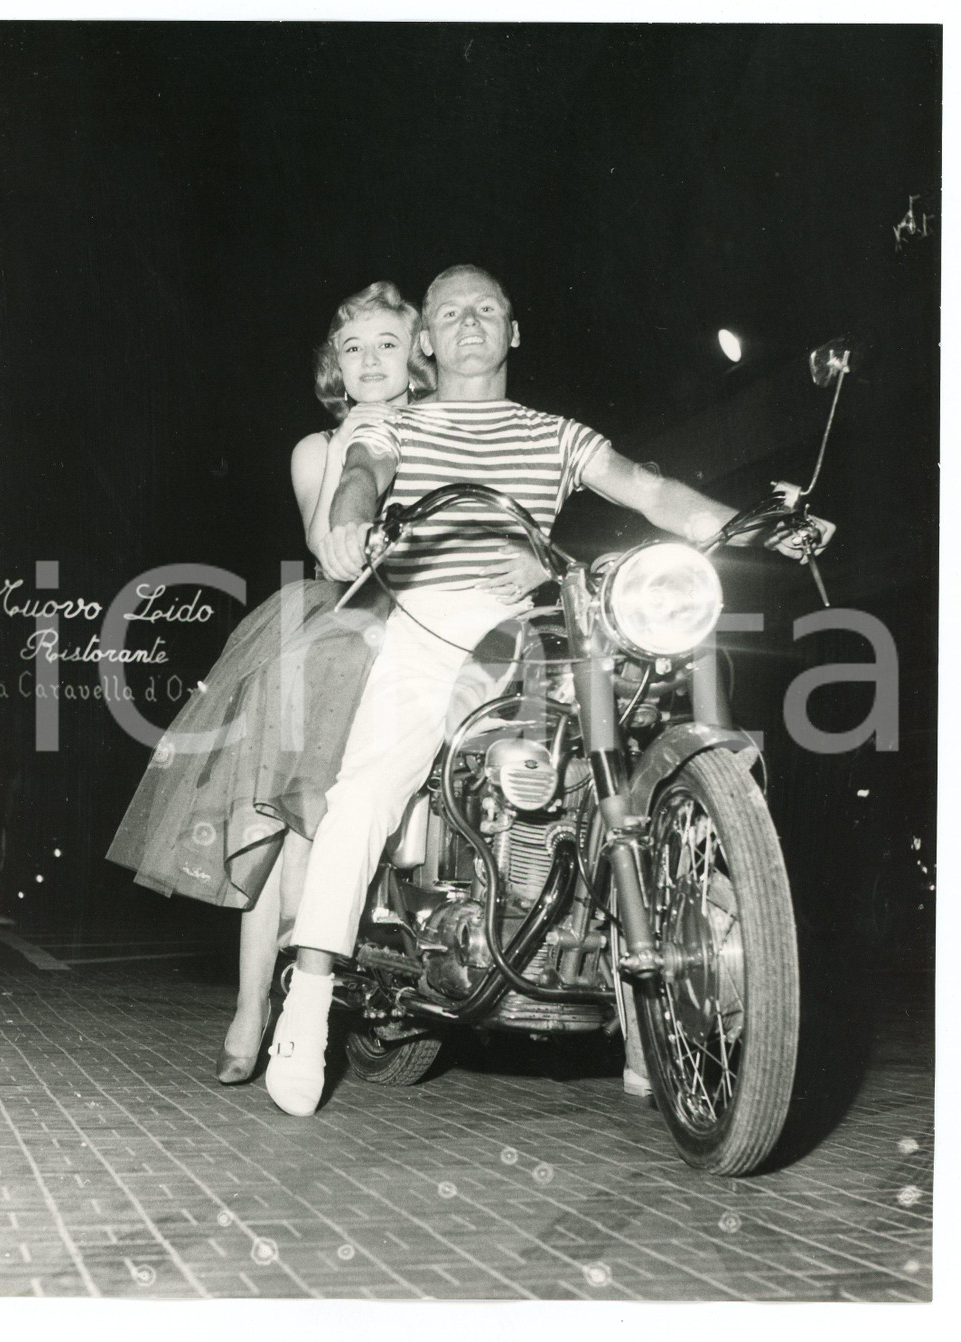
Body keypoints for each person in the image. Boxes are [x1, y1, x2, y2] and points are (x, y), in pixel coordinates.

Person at [263, 264, 832, 1118]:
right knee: (371, 785)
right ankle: (307, 1004)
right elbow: (363, 473)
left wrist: (743, 527)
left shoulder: (556, 433)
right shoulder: (398, 423)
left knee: (617, 748)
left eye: (486, 309)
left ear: (513, 330)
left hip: (537, 624)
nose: (467, 323)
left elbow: (644, 488)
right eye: (448, 312)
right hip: (428, 622)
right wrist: (350, 517)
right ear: (427, 338)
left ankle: (651, 1001)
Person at [106, 280, 482, 1083]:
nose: (370, 360)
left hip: (434, 623)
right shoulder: (319, 448)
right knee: (282, 812)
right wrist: (360, 446)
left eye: (388, 343)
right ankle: (253, 1006)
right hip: (341, 619)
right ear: (333, 370)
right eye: (352, 349)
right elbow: (327, 535)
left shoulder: (452, 431)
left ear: (419, 356)